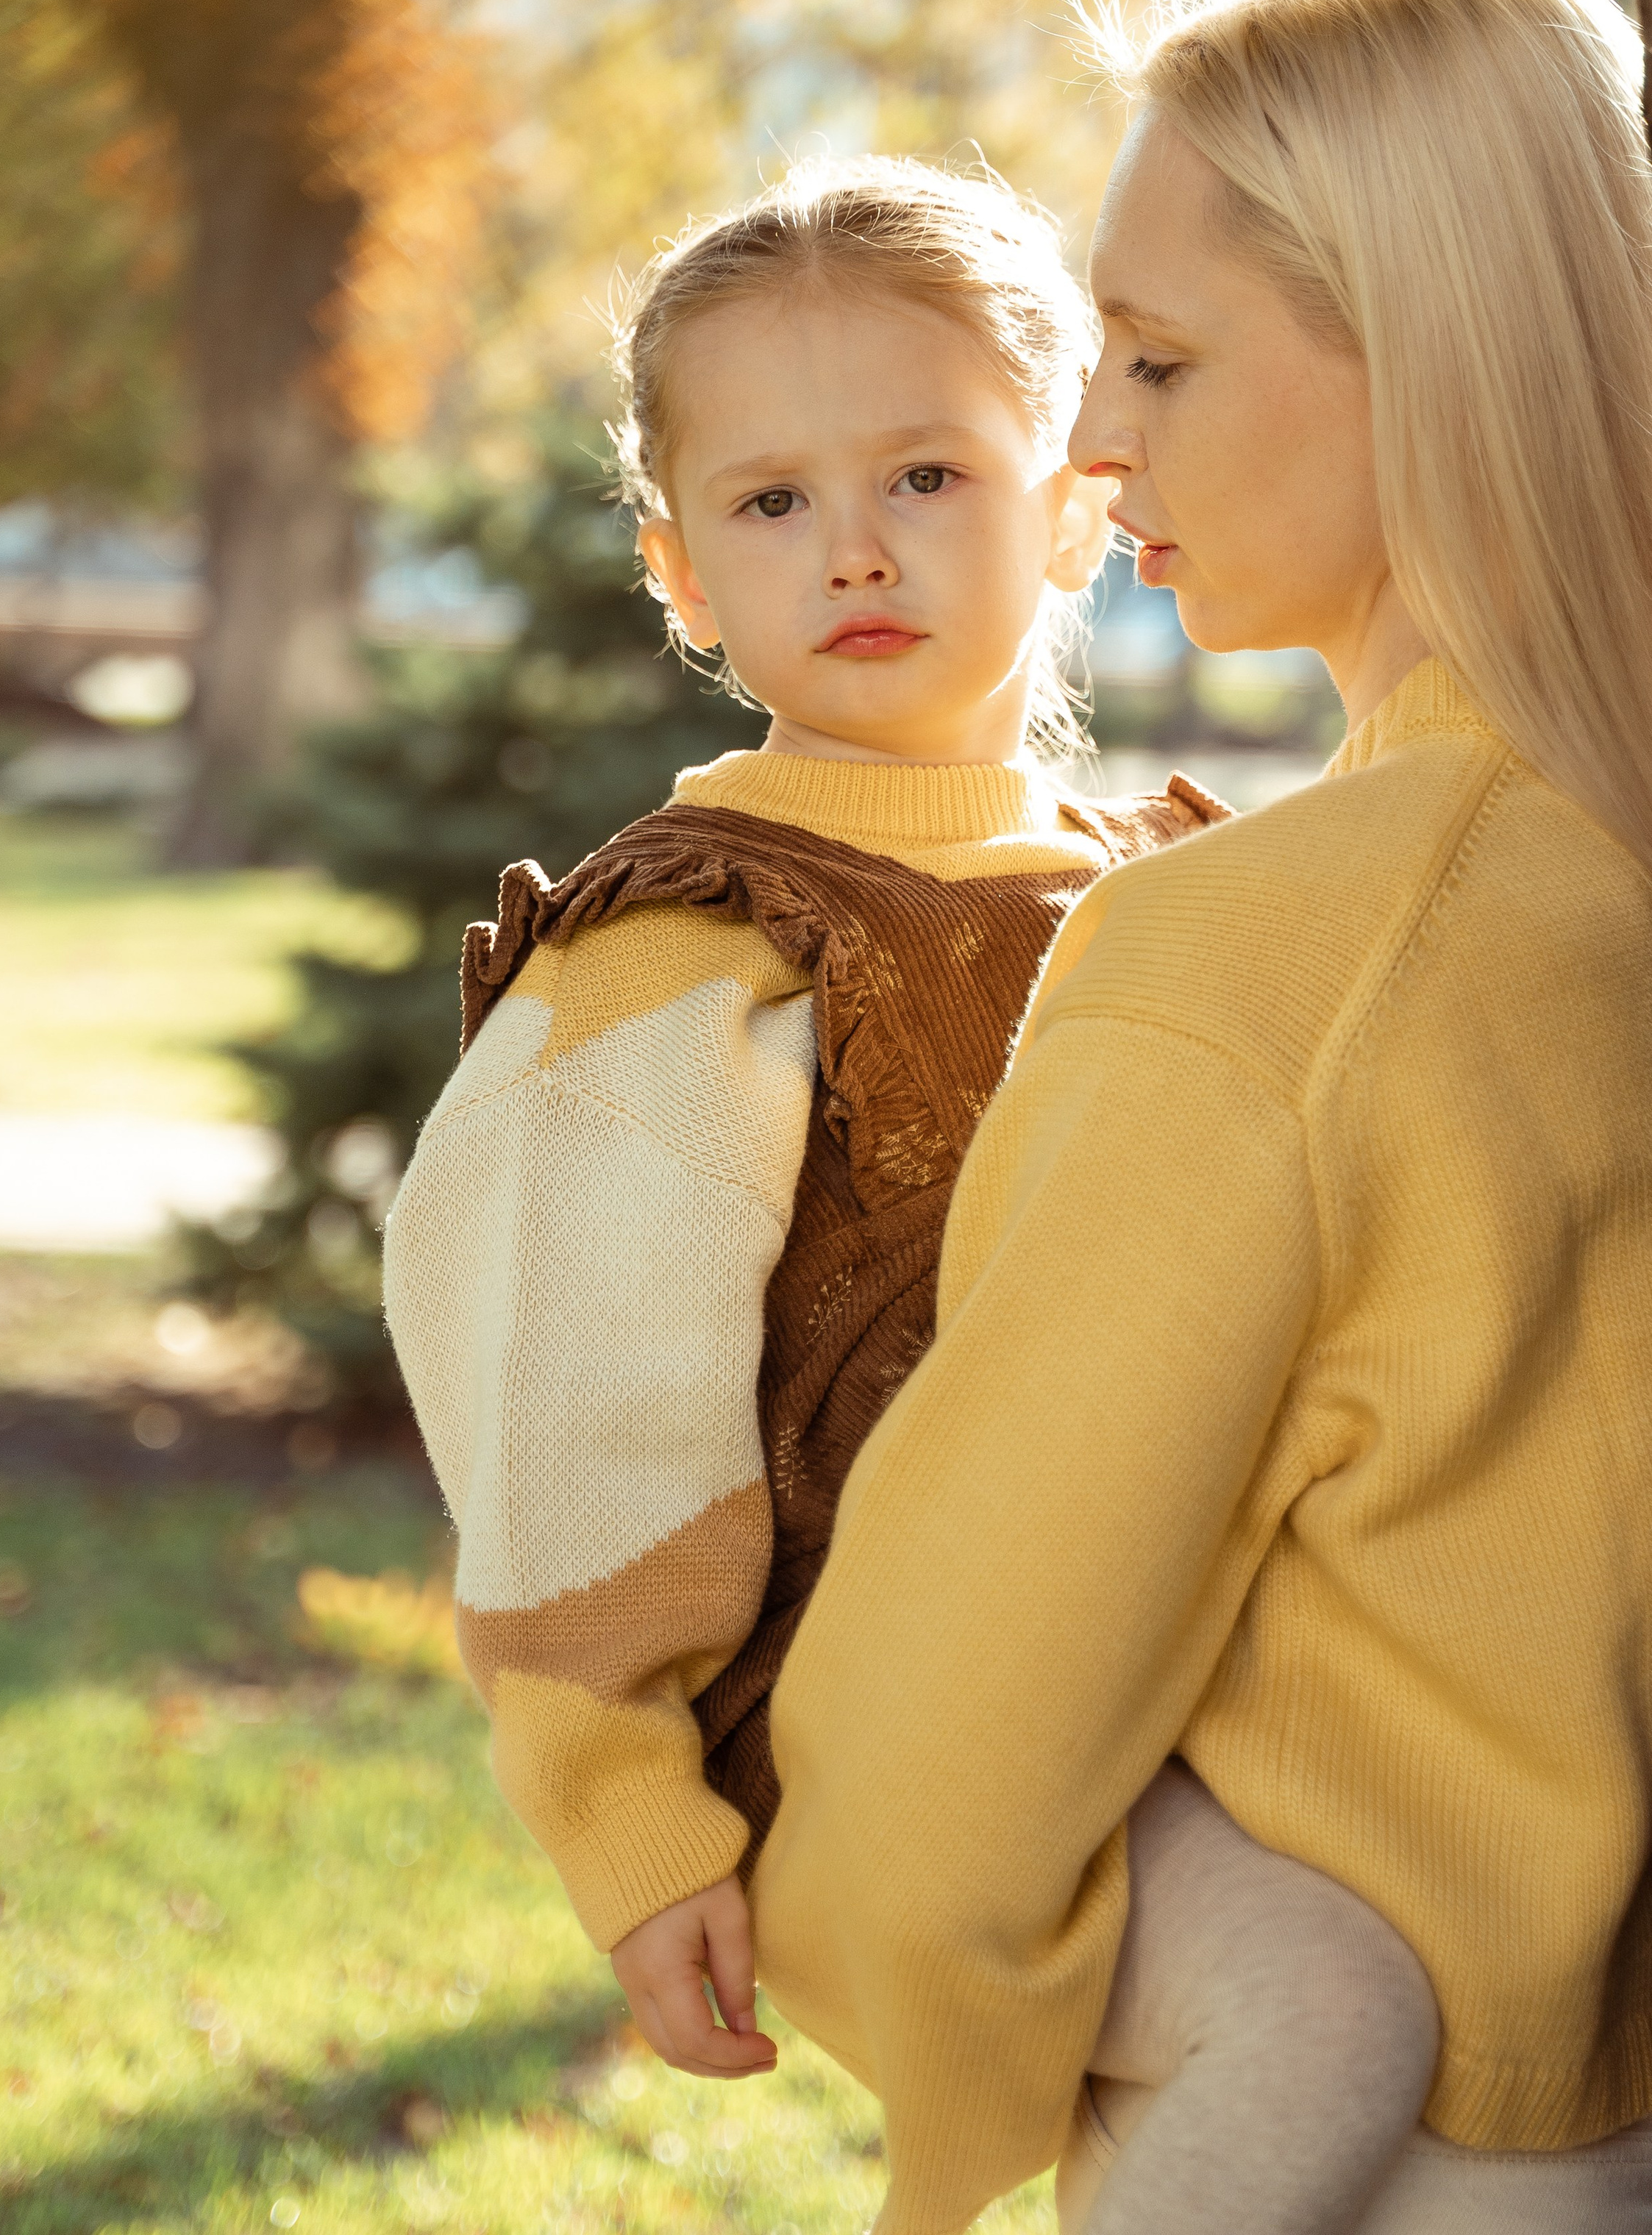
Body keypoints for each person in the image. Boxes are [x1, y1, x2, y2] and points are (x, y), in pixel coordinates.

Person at [385, 154, 1440, 2224]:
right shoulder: (693, 954)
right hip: (861, 1711)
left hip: (1153, 1650)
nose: (854, 547)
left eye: (930, 478)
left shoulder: (1170, 887)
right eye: (773, 503)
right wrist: (631, 1819)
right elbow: (573, 1415)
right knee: (1326, 2011)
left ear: (1075, 510)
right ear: (684, 572)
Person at [749, 0, 1652, 2234]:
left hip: (1359, 2161)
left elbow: (949, 1754)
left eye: (1152, 355)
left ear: (1424, 355)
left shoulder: (1277, 953)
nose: (1089, 439)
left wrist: (799, 1876)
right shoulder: (1583, 882)